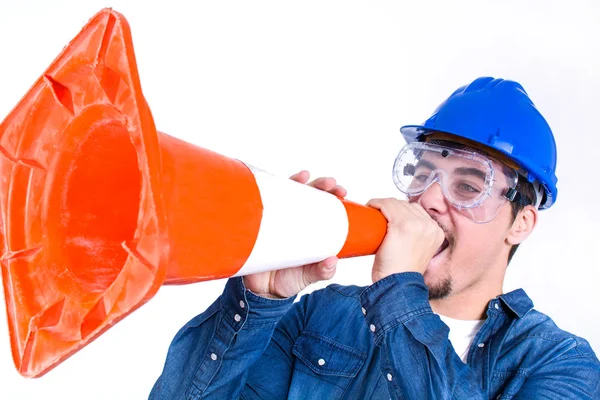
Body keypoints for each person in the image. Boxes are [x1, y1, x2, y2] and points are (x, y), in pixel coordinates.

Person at [148, 76, 600, 399]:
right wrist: (256, 304)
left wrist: (399, 291)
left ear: (520, 223)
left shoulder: (560, 364)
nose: (428, 201)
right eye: (421, 174)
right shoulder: (323, 315)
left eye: (467, 186)